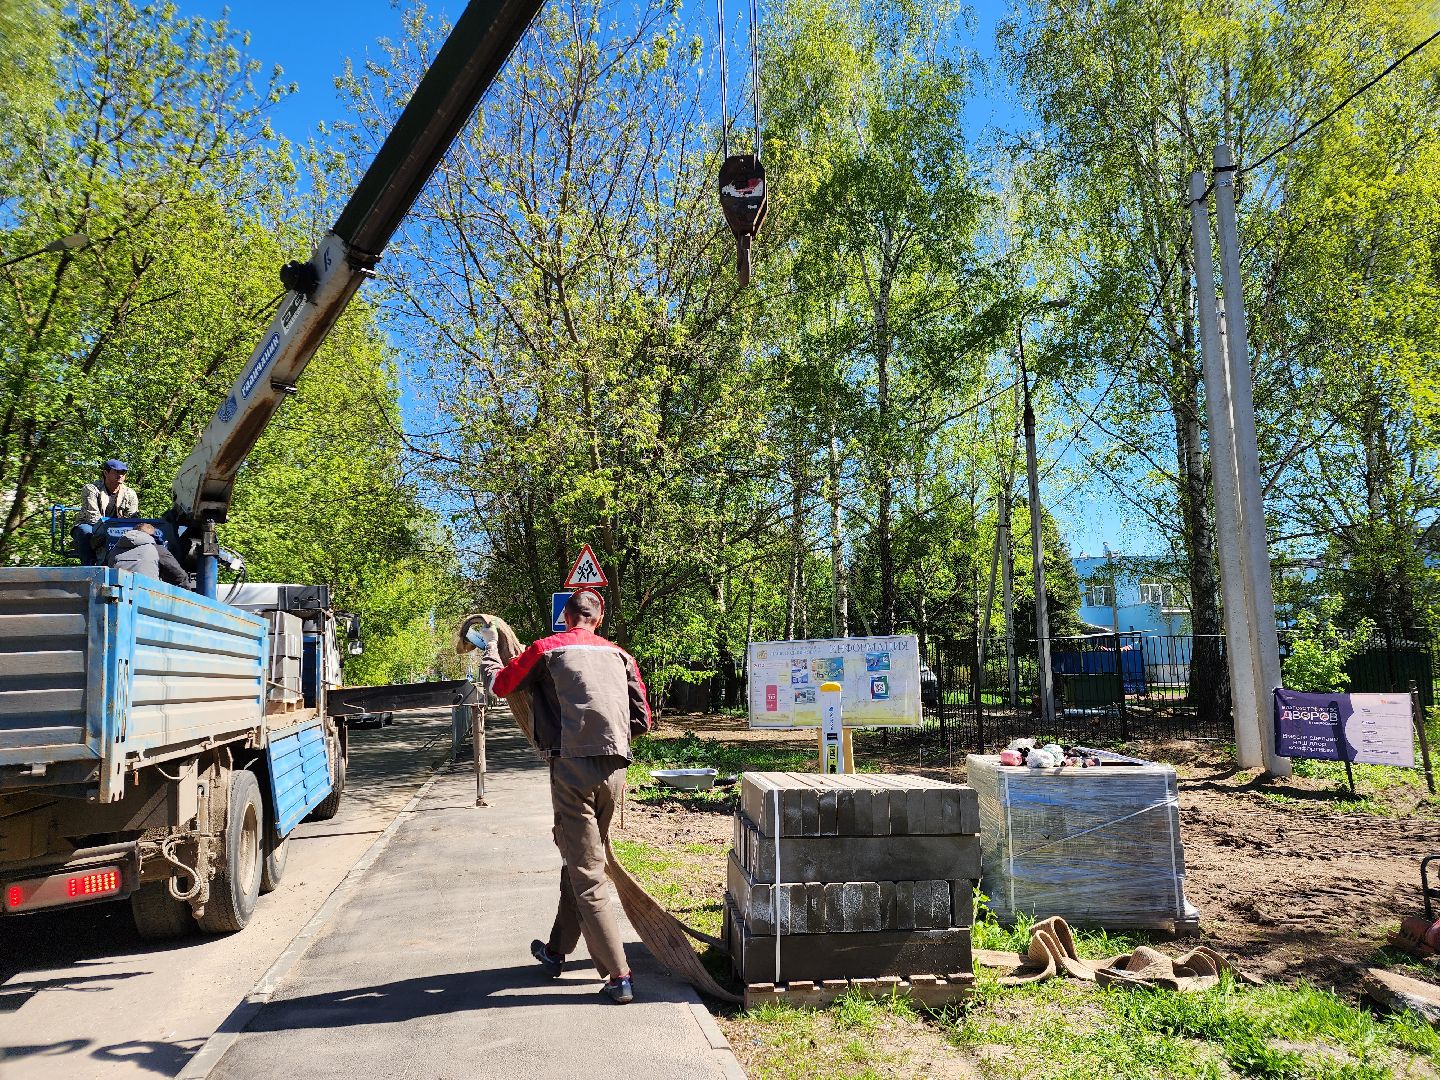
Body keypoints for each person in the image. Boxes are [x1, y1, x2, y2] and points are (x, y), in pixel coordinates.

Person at [475, 589, 652, 1005]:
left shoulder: (546, 649)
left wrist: (487, 649)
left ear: (565, 616)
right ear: (599, 617)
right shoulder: (621, 656)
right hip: (615, 770)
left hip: (570, 769)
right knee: (581, 860)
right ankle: (556, 951)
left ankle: (619, 976)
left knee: (588, 873)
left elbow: (502, 685)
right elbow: (641, 719)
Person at [73, 459, 139, 562]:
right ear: (105, 473)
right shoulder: (92, 489)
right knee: (85, 532)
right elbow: (92, 516)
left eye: (123, 472)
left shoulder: (130, 493)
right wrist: (109, 531)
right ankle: (88, 566)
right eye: (116, 472)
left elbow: (132, 518)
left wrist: (121, 530)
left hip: (117, 527)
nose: (120, 475)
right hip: (91, 525)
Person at [107, 523, 191, 588]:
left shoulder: (113, 550)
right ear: (152, 536)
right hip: (146, 599)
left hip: (116, 596)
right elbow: (179, 575)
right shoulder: (157, 549)